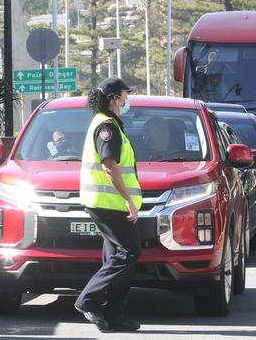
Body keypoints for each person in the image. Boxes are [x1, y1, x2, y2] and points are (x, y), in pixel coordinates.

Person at [76, 77, 142, 333]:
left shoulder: (110, 123)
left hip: (108, 203)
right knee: (129, 252)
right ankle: (87, 300)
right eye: (125, 94)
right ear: (115, 97)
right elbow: (109, 166)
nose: (127, 99)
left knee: (117, 257)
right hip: (109, 204)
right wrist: (128, 200)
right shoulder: (107, 126)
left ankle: (114, 315)